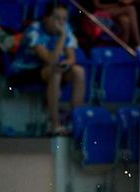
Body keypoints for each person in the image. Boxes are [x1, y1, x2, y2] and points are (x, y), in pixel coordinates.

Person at [8, 3, 86, 136]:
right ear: (46, 18)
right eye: (57, 18)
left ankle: (76, 122)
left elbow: (71, 58)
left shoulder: (66, 28)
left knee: (78, 71)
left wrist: (67, 63)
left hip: (51, 68)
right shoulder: (34, 30)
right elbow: (50, 59)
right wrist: (61, 37)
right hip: (25, 70)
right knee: (55, 72)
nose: (61, 23)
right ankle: (55, 124)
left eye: (64, 19)